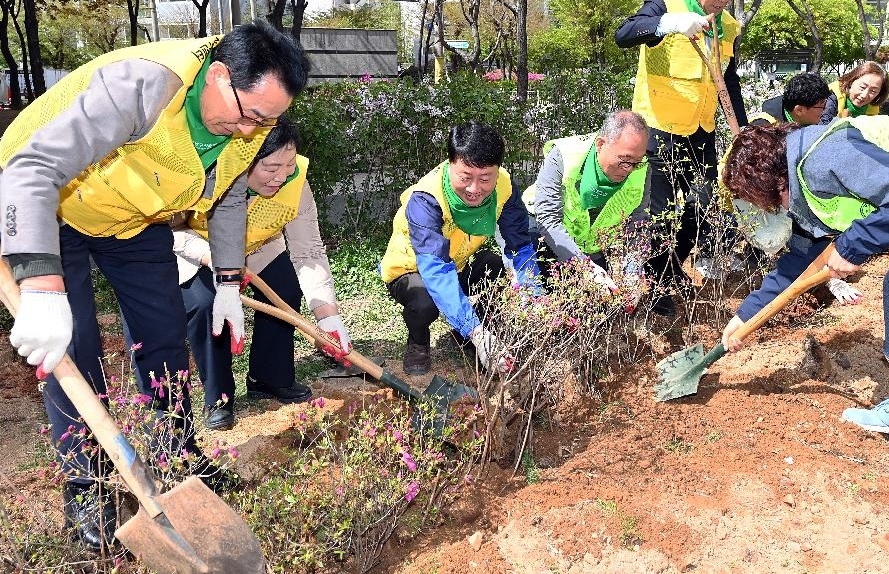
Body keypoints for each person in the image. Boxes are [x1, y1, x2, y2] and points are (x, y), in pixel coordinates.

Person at [0, 20, 309, 549]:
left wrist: (230, 283)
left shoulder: (241, 127)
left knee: (165, 331)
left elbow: (230, 197)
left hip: (130, 215)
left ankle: (176, 454)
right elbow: (32, 169)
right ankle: (89, 487)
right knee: (72, 350)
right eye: (251, 116)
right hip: (48, 204)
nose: (253, 132)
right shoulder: (139, 88)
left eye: (269, 122)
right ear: (218, 76)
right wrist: (43, 288)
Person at [719, 114, 889, 448]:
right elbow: (795, 265)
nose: (773, 209)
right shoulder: (800, 184)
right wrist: (745, 316)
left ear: (776, 181)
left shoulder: (826, 157)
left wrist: (852, 245)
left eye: (768, 201)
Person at [166, 118, 357, 431]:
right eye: (271, 168)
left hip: (257, 248)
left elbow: (307, 251)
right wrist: (212, 258)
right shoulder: (207, 172)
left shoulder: (295, 181)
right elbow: (168, 228)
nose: (281, 177)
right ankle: (219, 397)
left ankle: (268, 377)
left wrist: (328, 317)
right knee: (206, 305)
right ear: (245, 161)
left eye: (288, 165)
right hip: (199, 253)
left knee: (285, 284)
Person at [614, 0, 749, 308]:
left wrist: (744, 132)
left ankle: (668, 268)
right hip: (657, 127)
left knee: (703, 206)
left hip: (700, 130)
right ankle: (654, 284)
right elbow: (624, 34)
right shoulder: (665, 6)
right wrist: (670, 24)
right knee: (656, 213)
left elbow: (729, 83)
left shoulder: (728, 27)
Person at [380, 121, 540, 375]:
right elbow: (436, 271)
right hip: (412, 270)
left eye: (485, 178)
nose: (475, 189)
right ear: (449, 164)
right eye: (465, 178)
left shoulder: (504, 186)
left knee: (494, 268)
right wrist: (474, 331)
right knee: (425, 301)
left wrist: (534, 296)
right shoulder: (426, 199)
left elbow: (519, 244)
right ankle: (419, 341)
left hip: (458, 263)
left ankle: (477, 333)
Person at [522, 110, 671, 312]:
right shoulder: (565, 155)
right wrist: (585, 267)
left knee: (599, 307)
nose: (630, 169)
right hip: (541, 233)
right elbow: (547, 219)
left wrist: (633, 268)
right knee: (545, 301)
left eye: (637, 161)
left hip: (589, 243)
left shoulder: (641, 169)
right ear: (601, 144)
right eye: (625, 160)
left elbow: (638, 219)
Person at [741, 72, 862, 305]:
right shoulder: (765, 126)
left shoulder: (809, 123)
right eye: (820, 107)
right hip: (754, 195)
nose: (825, 112)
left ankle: (822, 272)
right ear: (799, 109)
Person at [820, 61, 889, 123]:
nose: (864, 95)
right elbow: (822, 127)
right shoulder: (831, 97)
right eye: (862, 87)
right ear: (851, 81)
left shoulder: (874, 108)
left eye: (873, 91)